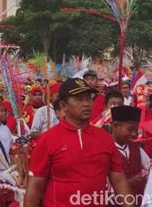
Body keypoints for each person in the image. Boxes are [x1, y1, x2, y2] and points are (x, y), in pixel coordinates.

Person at [24, 78, 132, 207]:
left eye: (88, 98)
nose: (86, 103)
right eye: (79, 99)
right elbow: (35, 188)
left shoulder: (105, 138)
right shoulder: (48, 140)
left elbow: (119, 181)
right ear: (64, 105)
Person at [111, 105, 149, 205]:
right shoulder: (105, 152)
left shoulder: (137, 149)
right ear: (115, 126)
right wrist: (131, 183)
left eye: (136, 130)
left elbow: (148, 166)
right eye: (130, 129)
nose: (134, 134)